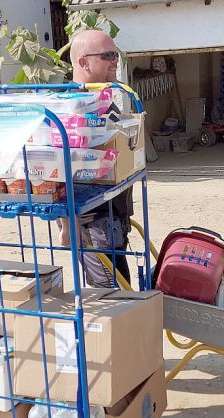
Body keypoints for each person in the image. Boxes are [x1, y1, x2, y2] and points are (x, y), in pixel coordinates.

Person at [59, 29, 133, 288]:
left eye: (116, 55)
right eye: (108, 55)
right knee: (113, 299)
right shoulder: (71, 110)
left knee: (124, 298)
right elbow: (56, 170)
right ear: (83, 62)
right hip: (95, 228)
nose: (115, 60)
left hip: (114, 222)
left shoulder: (101, 102)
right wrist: (69, 224)